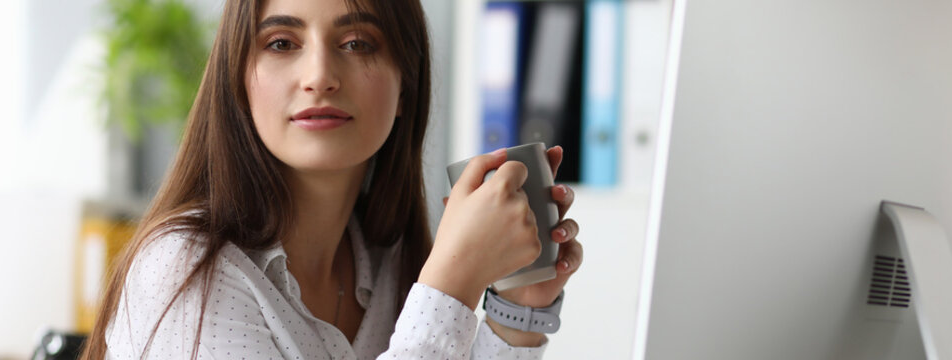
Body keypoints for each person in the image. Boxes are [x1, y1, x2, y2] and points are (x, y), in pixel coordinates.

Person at [80, 0, 583, 358]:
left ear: (406, 84)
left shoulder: (391, 263)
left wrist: (516, 313)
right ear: (239, 78)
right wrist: (451, 285)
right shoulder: (184, 271)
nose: (319, 75)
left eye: (357, 42)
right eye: (281, 43)